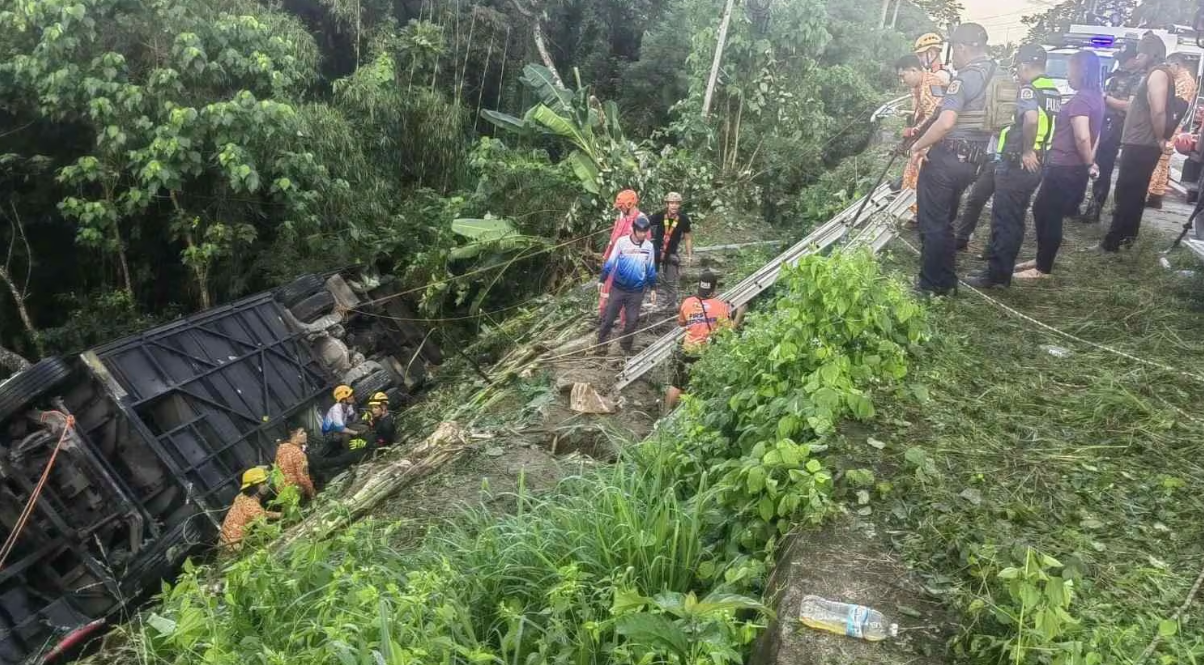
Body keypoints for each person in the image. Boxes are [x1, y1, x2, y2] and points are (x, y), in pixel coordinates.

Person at [907, 23, 995, 296]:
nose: (951, 57)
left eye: (952, 50)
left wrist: (918, 146)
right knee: (946, 222)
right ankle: (946, 281)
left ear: (962, 47)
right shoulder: (999, 74)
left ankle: (930, 285)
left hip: (947, 159)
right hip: (974, 162)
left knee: (932, 223)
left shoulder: (965, 78)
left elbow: (945, 122)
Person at [964, 45, 1062, 288]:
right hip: (1037, 162)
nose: (1017, 73)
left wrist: (1027, 150)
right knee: (1015, 219)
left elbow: (1030, 119)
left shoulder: (1029, 90)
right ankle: (1001, 269)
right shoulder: (1052, 91)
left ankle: (997, 275)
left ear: (1024, 65)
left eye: (1018, 67)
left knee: (1005, 220)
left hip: (1019, 163)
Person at [1010, 50, 1104, 281]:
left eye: (1070, 69)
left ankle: (1043, 268)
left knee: (1048, 213)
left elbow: (1082, 136)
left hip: (1065, 167)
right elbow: (1097, 134)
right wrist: (1090, 161)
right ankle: (1042, 258)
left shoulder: (1081, 100)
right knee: (1042, 209)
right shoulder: (1096, 97)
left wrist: (1089, 162)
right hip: (1071, 167)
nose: (1067, 74)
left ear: (1081, 71)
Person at [1102, 33, 1172, 253]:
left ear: (1150, 54)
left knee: (1128, 192)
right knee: (1132, 191)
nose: (1137, 57)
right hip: (1140, 142)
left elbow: (1158, 109)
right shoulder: (1152, 73)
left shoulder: (1158, 74)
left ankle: (1114, 241)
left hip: (1143, 143)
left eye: (1141, 52)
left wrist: (1160, 137)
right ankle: (1125, 239)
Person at [665, 270, 744, 413]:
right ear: (714, 288)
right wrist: (739, 313)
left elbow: (682, 323)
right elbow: (728, 331)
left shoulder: (688, 302)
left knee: (677, 384)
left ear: (699, 286)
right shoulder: (720, 306)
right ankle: (689, 415)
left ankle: (667, 413)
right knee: (698, 387)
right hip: (706, 353)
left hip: (687, 350)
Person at [1081, 45, 1142, 223]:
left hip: (1115, 127)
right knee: (1089, 162)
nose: (1121, 62)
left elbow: (1129, 106)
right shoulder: (1116, 75)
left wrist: (1104, 97)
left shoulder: (1138, 78)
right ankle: (1081, 204)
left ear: (1134, 59)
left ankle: (1095, 209)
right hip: (1101, 122)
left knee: (1104, 168)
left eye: (1124, 59)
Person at [597, 215, 657, 356]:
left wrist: (654, 288)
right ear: (633, 230)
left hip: (636, 291)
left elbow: (650, 268)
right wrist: (602, 279)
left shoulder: (649, 246)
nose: (642, 234)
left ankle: (625, 347)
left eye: (645, 232)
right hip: (618, 288)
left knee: (631, 321)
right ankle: (600, 344)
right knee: (609, 319)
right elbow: (611, 262)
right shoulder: (622, 242)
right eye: (640, 231)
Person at [1146, 52, 1198, 209]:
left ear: (1176, 65)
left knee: (1158, 161)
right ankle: (1155, 194)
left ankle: (1153, 193)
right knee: (1162, 162)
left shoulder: (1184, 81)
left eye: (1169, 65)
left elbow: (1175, 107)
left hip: (1170, 127)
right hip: (1171, 127)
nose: (1167, 69)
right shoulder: (1180, 79)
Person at [897, 54, 946, 223]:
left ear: (913, 70)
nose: (902, 81)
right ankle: (912, 212)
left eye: (903, 76)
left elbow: (935, 115)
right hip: (923, 138)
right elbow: (922, 113)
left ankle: (917, 214)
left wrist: (914, 132)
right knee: (911, 172)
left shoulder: (931, 83)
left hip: (932, 140)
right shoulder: (918, 86)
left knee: (918, 175)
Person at [599, 190, 649, 320]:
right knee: (605, 294)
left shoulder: (641, 220)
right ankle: (603, 321)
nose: (619, 209)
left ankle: (624, 328)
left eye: (621, 206)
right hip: (614, 263)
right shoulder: (621, 217)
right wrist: (607, 256)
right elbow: (613, 239)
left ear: (629, 204)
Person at [219, 466, 282, 551]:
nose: (266, 486)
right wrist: (281, 517)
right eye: (263, 484)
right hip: (233, 547)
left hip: (223, 542)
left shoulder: (241, 497)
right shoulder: (251, 505)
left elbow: (261, 513)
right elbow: (266, 528)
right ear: (254, 486)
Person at [649, 192, 693, 308]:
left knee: (671, 281)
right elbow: (645, 224)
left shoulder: (683, 220)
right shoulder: (660, 215)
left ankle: (671, 304)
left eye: (676, 203)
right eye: (671, 203)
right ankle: (649, 300)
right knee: (650, 276)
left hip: (671, 253)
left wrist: (689, 256)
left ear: (679, 205)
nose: (674, 206)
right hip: (657, 251)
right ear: (667, 204)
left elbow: (688, 238)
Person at [274, 427, 315, 500]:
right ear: (294, 437)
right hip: (294, 492)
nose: (305, 434)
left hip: (281, 491)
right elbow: (303, 478)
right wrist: (312, 493)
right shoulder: (299, 454)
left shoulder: (281, 447)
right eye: (301, 433)